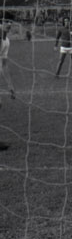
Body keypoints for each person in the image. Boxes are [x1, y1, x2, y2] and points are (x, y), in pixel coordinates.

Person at [1, 15, 16, 151]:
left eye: (10, 21)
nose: (9, 24)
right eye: (6, 21)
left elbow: (4, 65)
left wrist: (10, 85)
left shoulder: (6, 41)